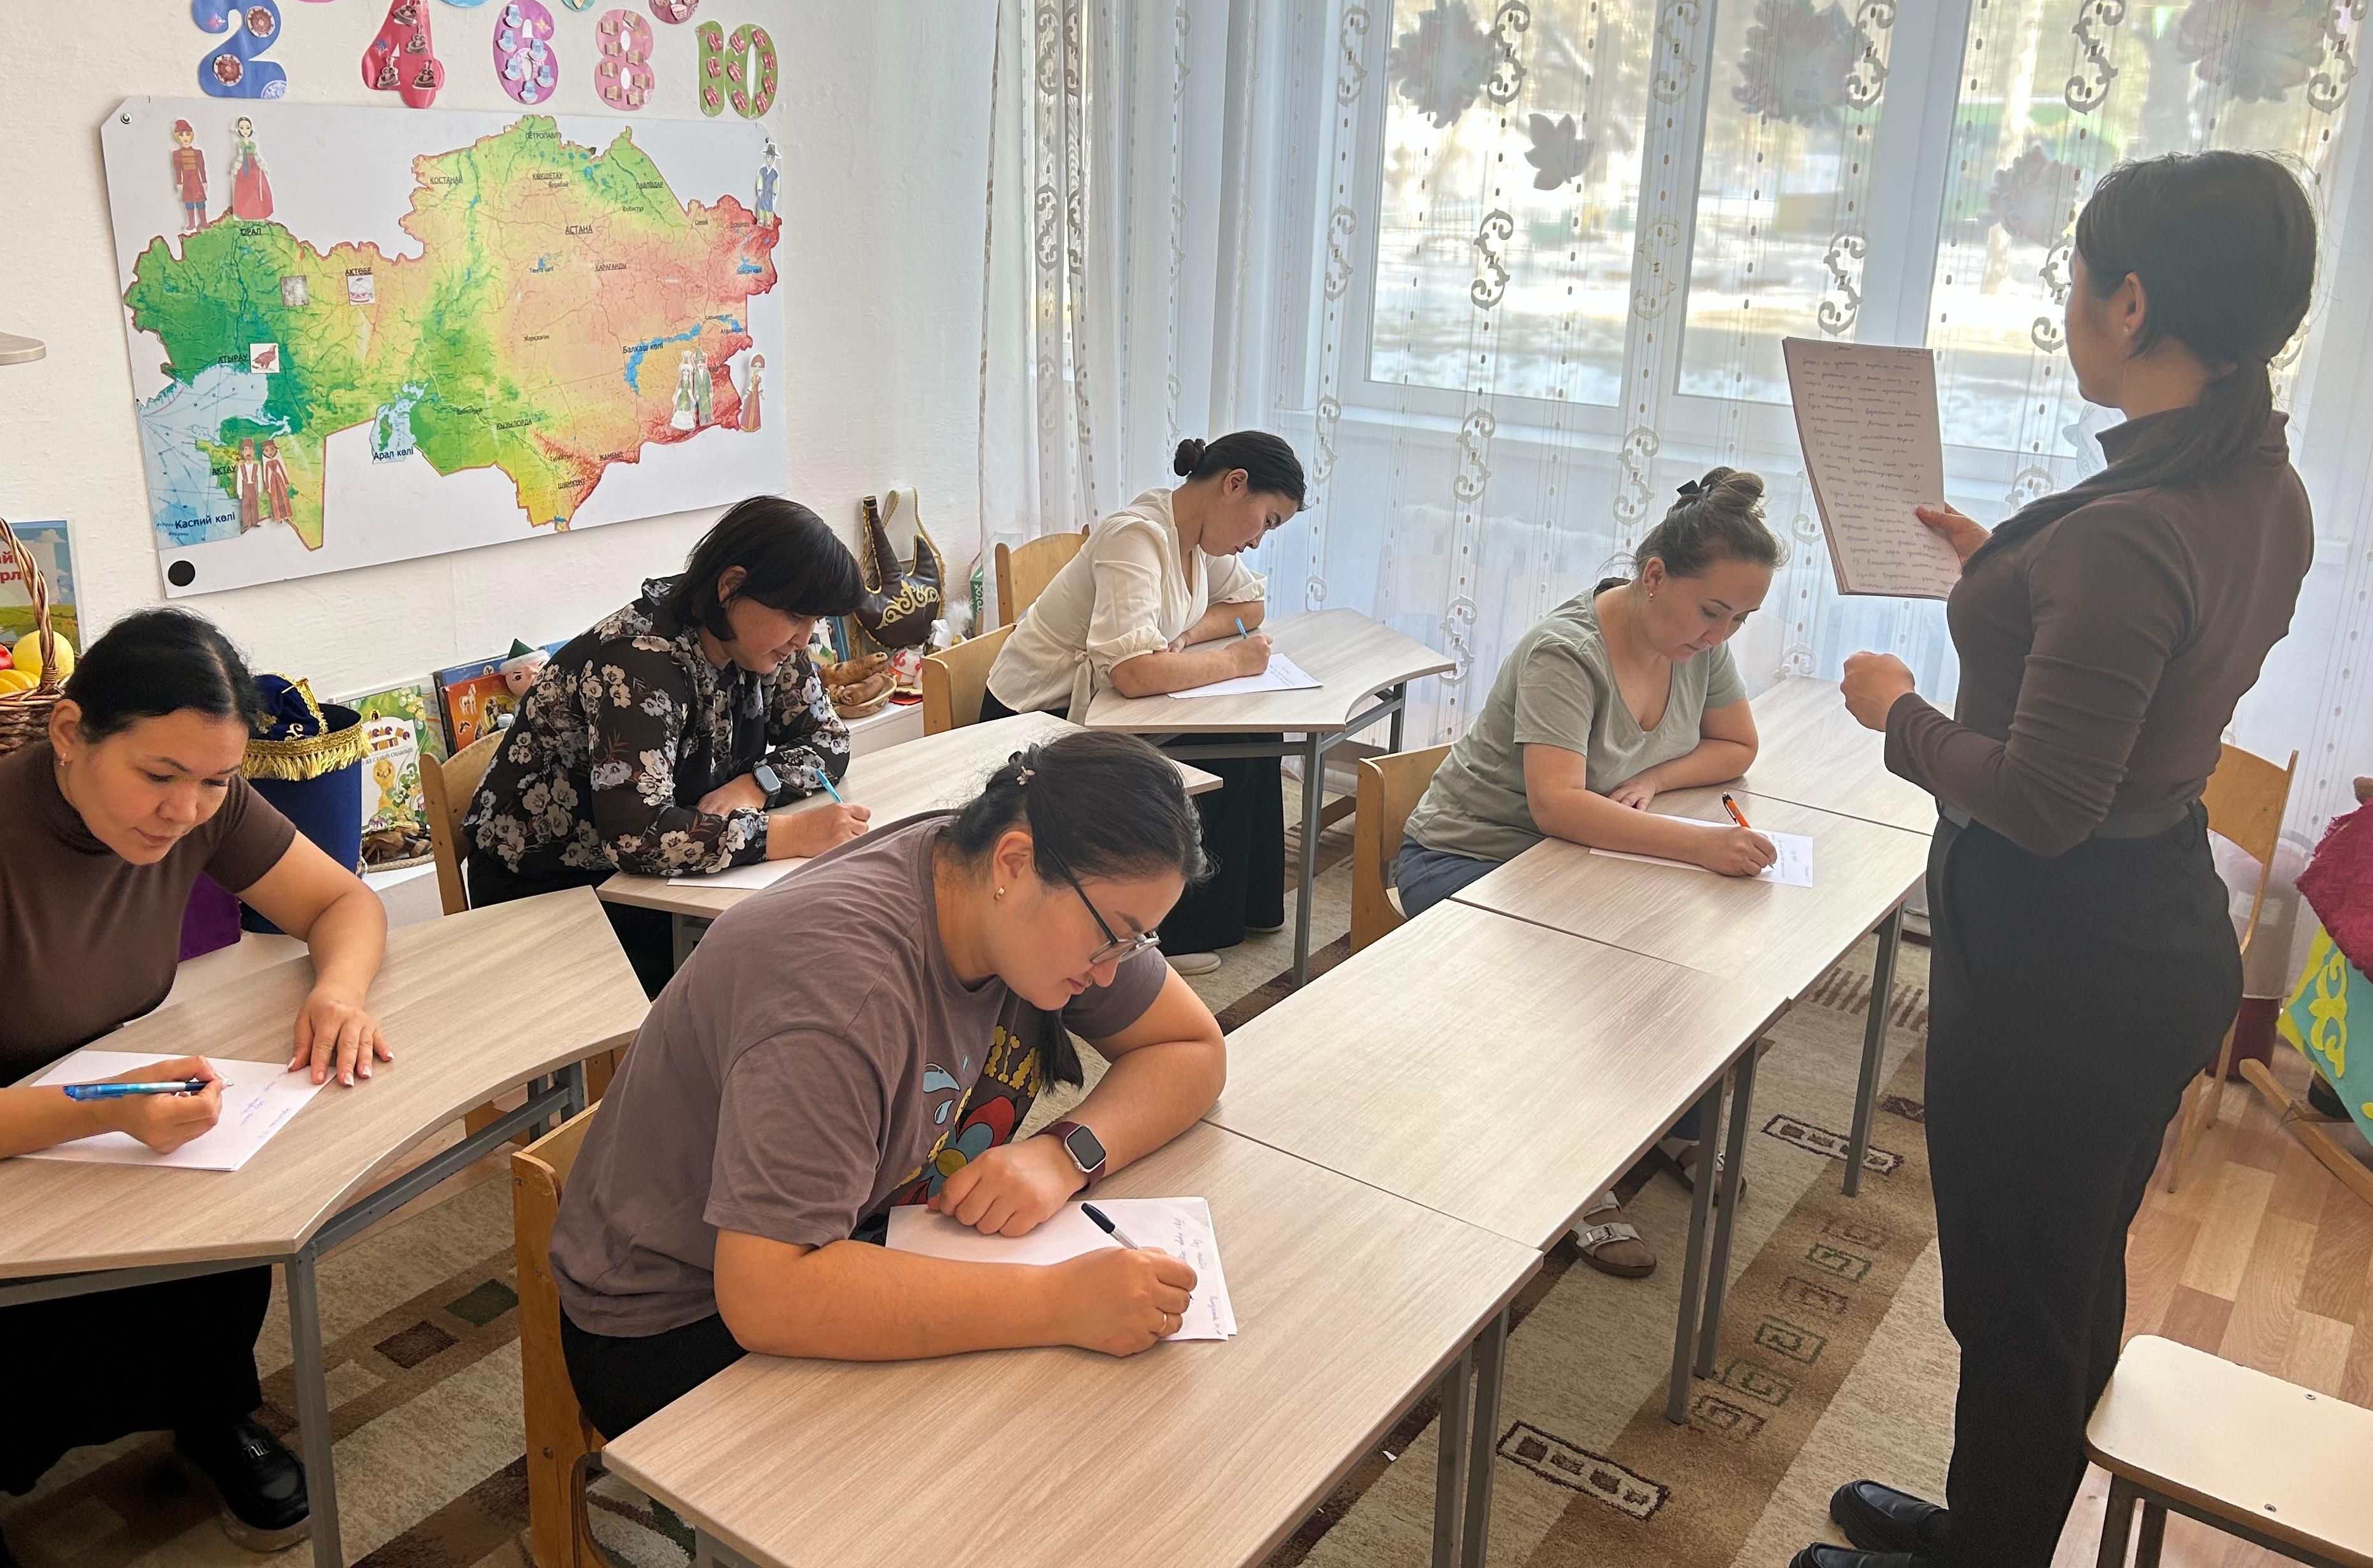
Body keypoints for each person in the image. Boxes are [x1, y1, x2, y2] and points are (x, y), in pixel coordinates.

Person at [1802, 151, 2315, 1568]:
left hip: (2060, 955)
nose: (2071, 305)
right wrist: (2008, 575)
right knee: (2066, 1270)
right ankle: (1989, 1525)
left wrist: (1896, 713)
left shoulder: (2130, 535)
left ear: (2131, 303)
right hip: (2146, 928)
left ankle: (1990, 1551)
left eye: (2076, 282)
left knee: (2016, 1299)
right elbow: (2150, 660)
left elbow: (2041, 802)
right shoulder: (2259, 485)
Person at [0, 608, 395, 1567]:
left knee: (225, 1196)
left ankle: (209, 1412)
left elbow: (342, 900)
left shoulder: (204, 801)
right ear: (68, 732)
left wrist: (337, 992)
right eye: (159, 776)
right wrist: (95, 1113)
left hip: (78, 1097)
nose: (186, 810)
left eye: (216, 781)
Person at [547, 728, 1227, 1436]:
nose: (1113, 973)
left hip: (859, 1234)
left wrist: (1064, 1155)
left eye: (1136, 942)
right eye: (1113, 936)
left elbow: (1191, 1047)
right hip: (676, 1322)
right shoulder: (841, 998)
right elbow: (767, 1295)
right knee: (1025, 1440)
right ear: (1015, 863)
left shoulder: (988, 879)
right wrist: (1055, 1302)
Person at [1394, 467, 1785, 1276]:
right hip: (1470, 855)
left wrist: (1657, 778)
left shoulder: (1696, 646)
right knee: (1576, 977)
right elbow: (1556, 806)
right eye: (1713, 611)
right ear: (1655, 577)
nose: (1721, 635)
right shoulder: (1565, 652)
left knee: (1685, 949)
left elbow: (1737, 746)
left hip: (1575, 853)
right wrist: (1699, 845)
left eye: (1740, 620)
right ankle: (1574, 1181)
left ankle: (1676, 1121)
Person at [464, 495, 874, 996]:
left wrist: (756, 784)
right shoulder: (639, 663)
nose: (805, 639)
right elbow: (636, 835)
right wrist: (787, 834)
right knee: (767, 968)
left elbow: (828, 739)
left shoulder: (762, 644)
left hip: (653, 876)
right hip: (551, 891)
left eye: (814, 621)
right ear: (731, 587)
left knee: (802, 940)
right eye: (795, 616)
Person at [982, 431, 1306, 976]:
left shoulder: (1197, 539)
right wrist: (1233, 661)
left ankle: (1248, 909)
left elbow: (1250, 604)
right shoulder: (1136, 537)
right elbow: (1132, 673)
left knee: (1257, 735)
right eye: (1267, 522)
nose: (1257, 542)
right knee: (1220, 750)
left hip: (1104, 705)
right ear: (1234, 484)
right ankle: (1175, 935)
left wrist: (1189, 635)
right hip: (1036, 722)